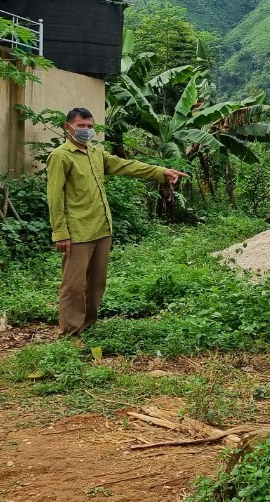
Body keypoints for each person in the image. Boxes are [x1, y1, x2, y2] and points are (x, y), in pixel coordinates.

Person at [46, 107, 187, 336]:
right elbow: (55, 197)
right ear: (68, 127)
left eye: (90, 126)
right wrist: (60, 232)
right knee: (73, 285)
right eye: (81, 126)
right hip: (78, 231)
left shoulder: (96, 153)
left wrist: (160, 171)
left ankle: (88, 325)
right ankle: (71, 331)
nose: (86, 131)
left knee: (96, 283)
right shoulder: (61, 156)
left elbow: (125, 165)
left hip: (101, 227)